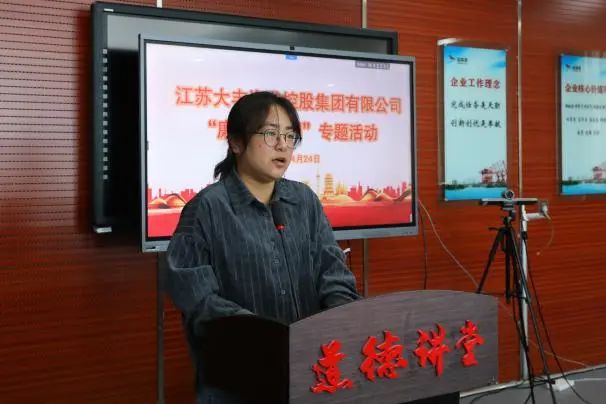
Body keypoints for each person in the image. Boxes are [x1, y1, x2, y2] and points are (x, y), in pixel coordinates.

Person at [166, 91, 360, 403]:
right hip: (239, 384)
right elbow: (198, 301)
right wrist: (266, 338)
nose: (283, 145)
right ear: (236, 142)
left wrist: (341, 322)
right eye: (270, 134)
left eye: (290, 136)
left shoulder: (304, 201)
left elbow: (334, 274)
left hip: (311, 376)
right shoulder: (206, 209)